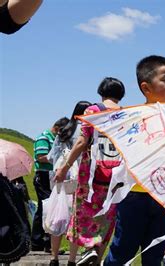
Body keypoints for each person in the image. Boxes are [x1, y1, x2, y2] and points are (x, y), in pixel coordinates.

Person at [104, 55, 165, 266]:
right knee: (122, 251)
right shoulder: (132, 116)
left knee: (155, 254)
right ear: (146, 88)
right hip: (134, 195)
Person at [54, 78, 125, 266]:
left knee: (81, 216)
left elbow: (81, 141)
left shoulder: (93, 111)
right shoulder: (126, 114)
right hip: (115, 178)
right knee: (106, 220)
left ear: (101, 92)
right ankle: (96, 258)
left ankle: (81, 255)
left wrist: (64, 167)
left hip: (91, 177)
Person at [47, 101, 92, 266]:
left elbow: (52, 156)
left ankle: (54, 258)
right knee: (76, 220)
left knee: (57, 218)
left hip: (61, 178)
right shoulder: (87, 130)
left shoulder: (63, 131)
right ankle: (72, 260)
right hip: (80, 179)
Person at [31, 117, 69, 253]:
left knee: (47, 208)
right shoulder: (44, 137)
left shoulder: (55, 138)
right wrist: (58, 156)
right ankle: (42, 242)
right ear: (58, 128)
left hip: (51, 176)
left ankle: (42, 242)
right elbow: (40, 156)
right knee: (46, 207)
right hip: (43, 175)